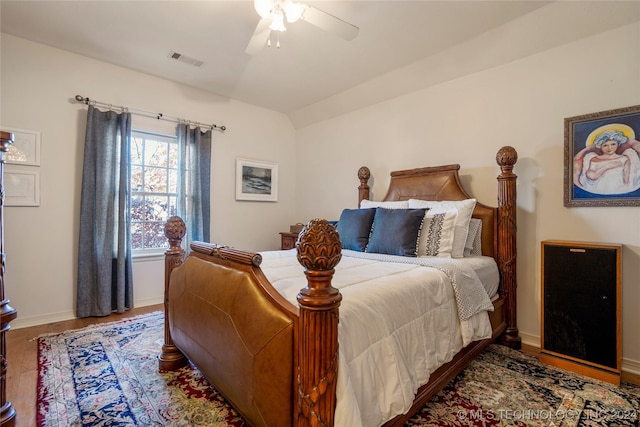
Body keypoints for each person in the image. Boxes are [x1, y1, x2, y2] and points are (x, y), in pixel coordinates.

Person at [573, 127, 640, 195]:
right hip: (598, 190)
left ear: (618, 144)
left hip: (620, 190)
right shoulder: (594, 159)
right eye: (605, 145)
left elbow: (627, 180)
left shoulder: (624, 158)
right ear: (600, 146)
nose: (609, 148)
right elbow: (592, 176)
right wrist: (606, 167)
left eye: (613, 144)